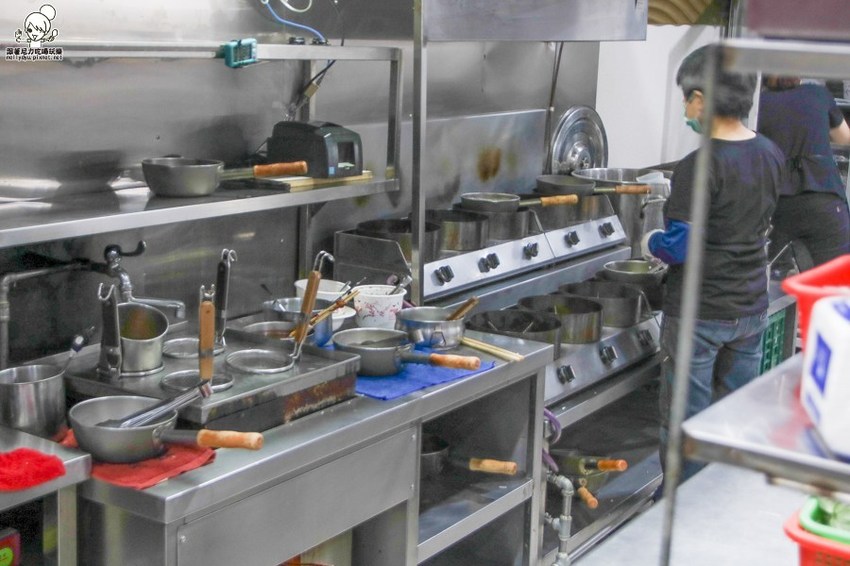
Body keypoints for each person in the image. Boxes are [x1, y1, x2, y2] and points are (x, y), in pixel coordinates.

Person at [640, 44, 785, 483]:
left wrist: (650, 241)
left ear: (700, 99)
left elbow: (680, 247)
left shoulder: (698, 165)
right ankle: (720, 498)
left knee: (688, 425)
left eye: (686, 99)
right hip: (750, 308)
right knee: (732, 416)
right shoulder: (770, 153)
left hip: (700, 315)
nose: (686, 109)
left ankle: (681, 504)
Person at [757, 75, 850, 273]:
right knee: (834, 279)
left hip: (778, 205)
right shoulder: (818, 93)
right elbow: (844, 138)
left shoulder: (759, 104)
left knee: (776, 278)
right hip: (824, 199)